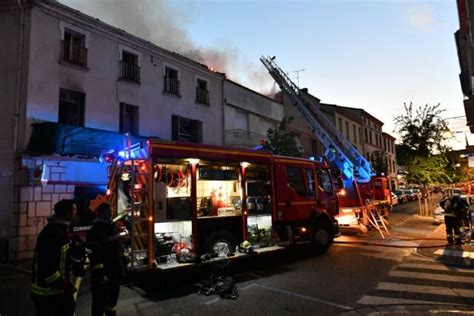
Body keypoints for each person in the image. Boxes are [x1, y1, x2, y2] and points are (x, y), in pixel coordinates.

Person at [31, 199, 77, 316]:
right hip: (48, 294)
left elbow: (60, 258)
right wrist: (64, 285)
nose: (76, 213)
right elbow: (47, 267)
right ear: (67, 213)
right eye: (74, 210)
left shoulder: (59, 231)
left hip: (56, 292)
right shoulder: (53, 234)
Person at [87, 202, 126, 316]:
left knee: (112, 304)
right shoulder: (95, 231)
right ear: (101, 214)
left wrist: (122, 259)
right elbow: (93, 254)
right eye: (108, 212)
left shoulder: (111, 227)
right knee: (99, 305)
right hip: (103, 274)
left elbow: (115, 247)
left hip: (114, 272)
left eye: (111, 212)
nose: (111, 214)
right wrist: (99, 273)